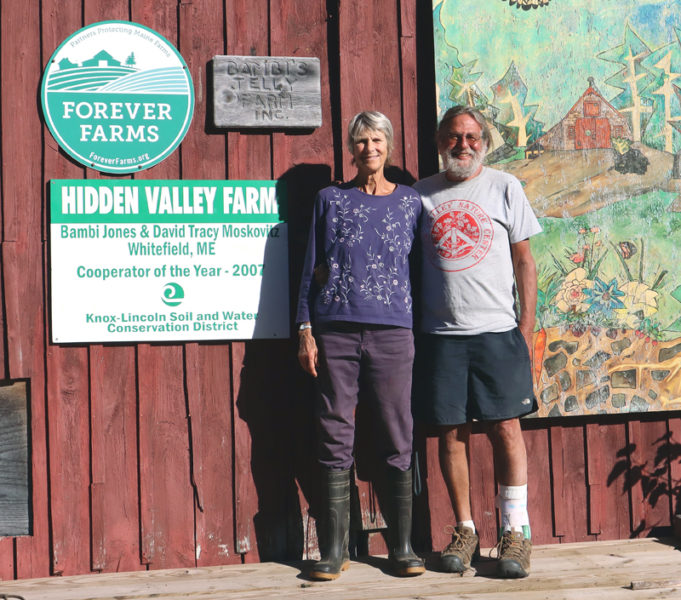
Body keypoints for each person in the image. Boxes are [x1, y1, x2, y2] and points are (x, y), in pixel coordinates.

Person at [412, 105, 542, 578]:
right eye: (453, 136)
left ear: (484, 142)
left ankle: (516, 533)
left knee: (506, 429)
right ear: (439, 142)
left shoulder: (505, 187)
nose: (462, 144)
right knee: (450, 432)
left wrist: (524, 330)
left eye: (470, 136)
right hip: (441, 336)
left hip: (497, 332)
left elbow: (525, 262)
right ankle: (465, 530)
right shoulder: (420, 195)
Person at [296, 111, 424, 580]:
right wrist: (305, 328)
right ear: (350, 149)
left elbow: (425, 273)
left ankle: (403, 546)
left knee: (397, 427)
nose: (368, 147)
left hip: (394, 328)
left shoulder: (411, 203)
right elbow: (310, 265)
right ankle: (334, 550)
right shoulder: (331, 198)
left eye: (376, 139)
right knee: (334, 427)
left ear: (389, 145)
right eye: (360, 140)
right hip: (336, 328)